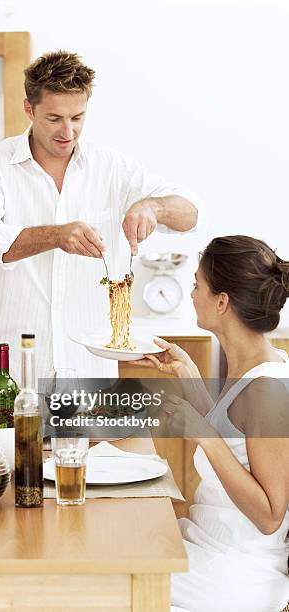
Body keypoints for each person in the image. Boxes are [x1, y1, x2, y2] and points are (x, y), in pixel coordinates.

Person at [0, 49, 204, 403]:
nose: (68, 131)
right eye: (54, 118)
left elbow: (190, 213)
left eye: (78, 117)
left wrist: (153, 206)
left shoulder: (112, 168)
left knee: (81, 462)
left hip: (86, 376)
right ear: (29, 108)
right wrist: (55, 235)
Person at [130, 236, 289, 612]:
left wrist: (200, 433)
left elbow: (270, 517)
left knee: (111, 580)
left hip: (237, 571)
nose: (191, 295)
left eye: (197, 285)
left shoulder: (268, 389)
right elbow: (231, 433)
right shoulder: (254, 367)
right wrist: (187, 371)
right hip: (208, 547)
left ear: (222, 301)